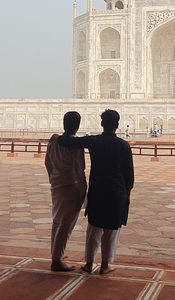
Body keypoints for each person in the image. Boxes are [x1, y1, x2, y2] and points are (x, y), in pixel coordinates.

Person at [58, 109, 134, 275]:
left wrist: (58, 137)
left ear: (101, 124)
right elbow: (129, 174)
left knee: (94, 228)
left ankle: (89, 263)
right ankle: (105, 265)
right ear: (117, 125)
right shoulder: (123, 145)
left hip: (98, 190)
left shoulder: (95, 141)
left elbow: (70, 142)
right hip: (117, 192)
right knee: (111, 230)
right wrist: (127, 196)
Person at [44, 111, 87, 272]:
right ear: (77, 126)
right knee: (66, 224)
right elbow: (79, 170)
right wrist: (83, 192)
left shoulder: (54, 141)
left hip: (56, 185)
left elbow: (47, 163)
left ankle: (56, 253)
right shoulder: (75, 144)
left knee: (57, 221)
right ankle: (56, 261)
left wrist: (52, 179)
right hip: (70, 187)